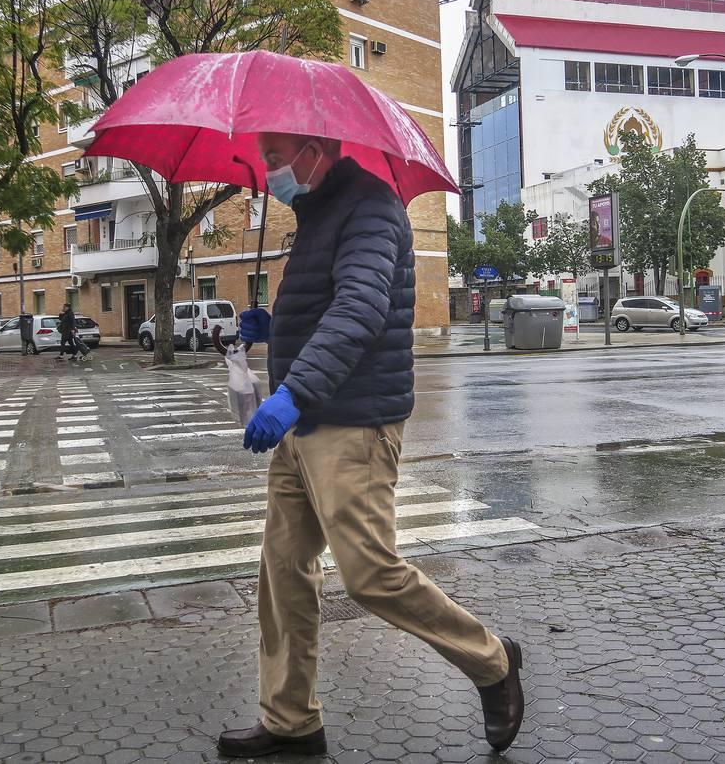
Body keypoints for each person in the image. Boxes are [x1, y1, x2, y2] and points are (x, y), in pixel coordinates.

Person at [217, 132, 526, 758]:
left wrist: (293, 392)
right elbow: (332, 306)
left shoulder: (371, 206)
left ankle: (492, 660)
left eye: (275, 158)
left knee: (368, 574)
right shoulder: (317, 211)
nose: (268, 170)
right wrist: (276, 329)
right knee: (282, 572)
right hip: (306, 423)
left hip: (351, 422)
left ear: (313, 148)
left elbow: (361, 309)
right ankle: (290, 720)